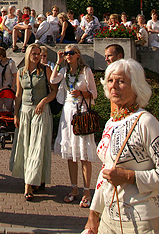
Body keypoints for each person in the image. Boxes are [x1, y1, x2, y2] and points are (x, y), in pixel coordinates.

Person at [83, 59, 159, 234]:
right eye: (110, 80)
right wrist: (93, 214)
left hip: (142, 222)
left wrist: (129, 176)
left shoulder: (146, 122)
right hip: (108, 221)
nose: (114, 86)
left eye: (121, 81)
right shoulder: (111, 122)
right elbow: (106, 172)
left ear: (136, 86)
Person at [50, 44, 97, 208]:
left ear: (78, 55)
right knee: (71, 154)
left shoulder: (86, 71)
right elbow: (53, 80)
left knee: (83, 153)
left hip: (82, 112)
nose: (68, 55)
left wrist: (81, 93)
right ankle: (74, 188)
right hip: (68, 112)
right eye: (66, 53)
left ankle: (86, 190)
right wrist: (58, 61)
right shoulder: (64, 71)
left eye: (71, 53)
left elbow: (94, 93)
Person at [9, 44, 57, 201]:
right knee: (26, 146)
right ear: (28, 54)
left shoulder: (45, 70)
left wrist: (44, 101)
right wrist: (15, 114)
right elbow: (18, 94)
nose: (36, 56)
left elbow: (54, 91)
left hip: (40, 112)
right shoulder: (21, 72)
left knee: (37, 146)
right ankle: (35, 178)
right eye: (33, 53)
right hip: (25, 111)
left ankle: (29, 184)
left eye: (38, 54)